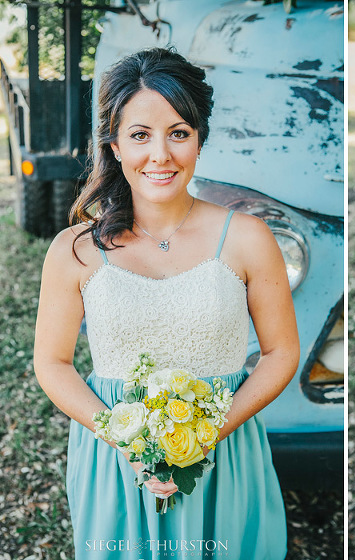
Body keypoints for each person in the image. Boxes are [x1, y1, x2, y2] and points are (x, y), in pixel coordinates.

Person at [34, 47, 299, 559]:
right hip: (116, 459)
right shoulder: (74, 250)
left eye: (179, 132)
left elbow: (281, 353)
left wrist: (207, 434)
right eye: (140, 135)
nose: (161, 155)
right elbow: (52, 362)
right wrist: (125, 439)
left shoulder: (247, 238)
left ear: (200, 137)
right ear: (112, 145)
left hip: (225, 453)